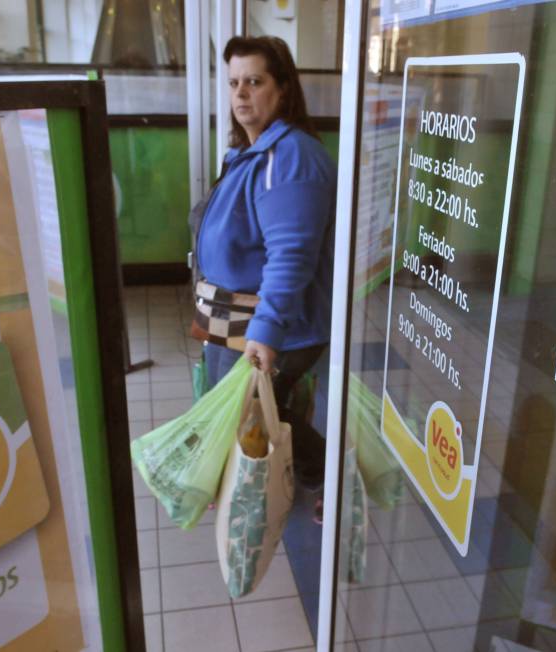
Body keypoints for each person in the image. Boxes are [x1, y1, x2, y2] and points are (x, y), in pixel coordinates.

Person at [193, 35, 336, 499]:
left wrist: (268, 330)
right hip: (235, 314)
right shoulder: (253, 153)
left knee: (255, 411)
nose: (240, 94)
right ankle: (302, 475)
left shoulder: (289, 157)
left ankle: (327, 477)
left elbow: (291, 255)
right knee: (246, 408)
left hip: (271, 323)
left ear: (283, 89)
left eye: (254, 81)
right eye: (234, 82)